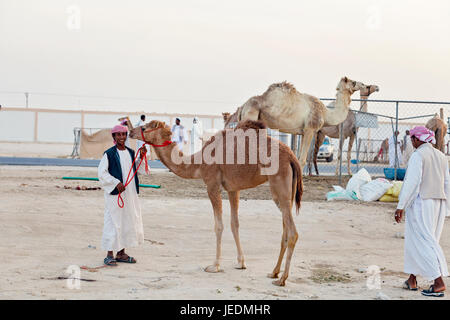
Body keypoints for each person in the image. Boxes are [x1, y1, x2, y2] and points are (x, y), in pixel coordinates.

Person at [395, 126, 450, 297]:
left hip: (422, 202)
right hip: (439, 203)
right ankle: (412, 279)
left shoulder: (418, 155)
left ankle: (438, 282)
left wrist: (400, 206)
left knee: (425, 242)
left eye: (412, 138)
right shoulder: (442, 156)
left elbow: (412, 182)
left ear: (418, 139)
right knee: (418, 240)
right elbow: (447, 183)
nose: (411, 142)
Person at [98, 124, 148, 266]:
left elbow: (138, 169)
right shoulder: (109, 154)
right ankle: (109, 254)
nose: (121, 137)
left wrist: (142, 157)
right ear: (113, 137)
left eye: (123, 134)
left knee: (126, 220)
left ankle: (121, 253)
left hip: (129, 194)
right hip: (115, 195)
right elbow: (102, 173)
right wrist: (115, 183)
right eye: (118, 134)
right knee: (113, 221)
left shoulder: (131, 152)